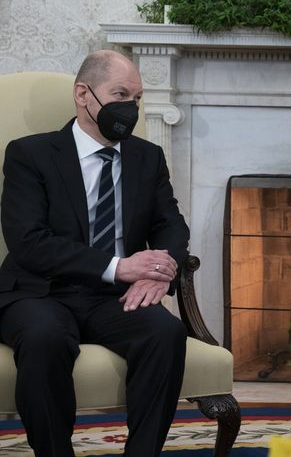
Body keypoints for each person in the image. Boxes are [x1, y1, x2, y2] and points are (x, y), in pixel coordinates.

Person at [0, 50, 190, 456]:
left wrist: (158, 269)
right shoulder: (29, 155)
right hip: (41, 291)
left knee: (166, 332)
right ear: (83, 94)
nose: (130, 108)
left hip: (112, 298)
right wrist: (120, 266)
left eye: (137, 99)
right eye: (120, 93)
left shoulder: (147, 157)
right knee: (44, 337)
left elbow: (170, 224)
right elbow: (29, 241)